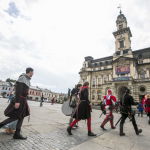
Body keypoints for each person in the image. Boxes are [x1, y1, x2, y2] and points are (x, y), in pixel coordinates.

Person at [0, 67, 33, 140]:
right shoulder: (22, 78)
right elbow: (18, 91)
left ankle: (17, 134)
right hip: (20, 99)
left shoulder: (27, 80)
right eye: (32, 72)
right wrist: (17, 102)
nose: (33, 74)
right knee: (15, 117)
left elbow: (24, 89)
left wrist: (26, 94)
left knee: (21, 116)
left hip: (23, 100)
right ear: (30, 72)